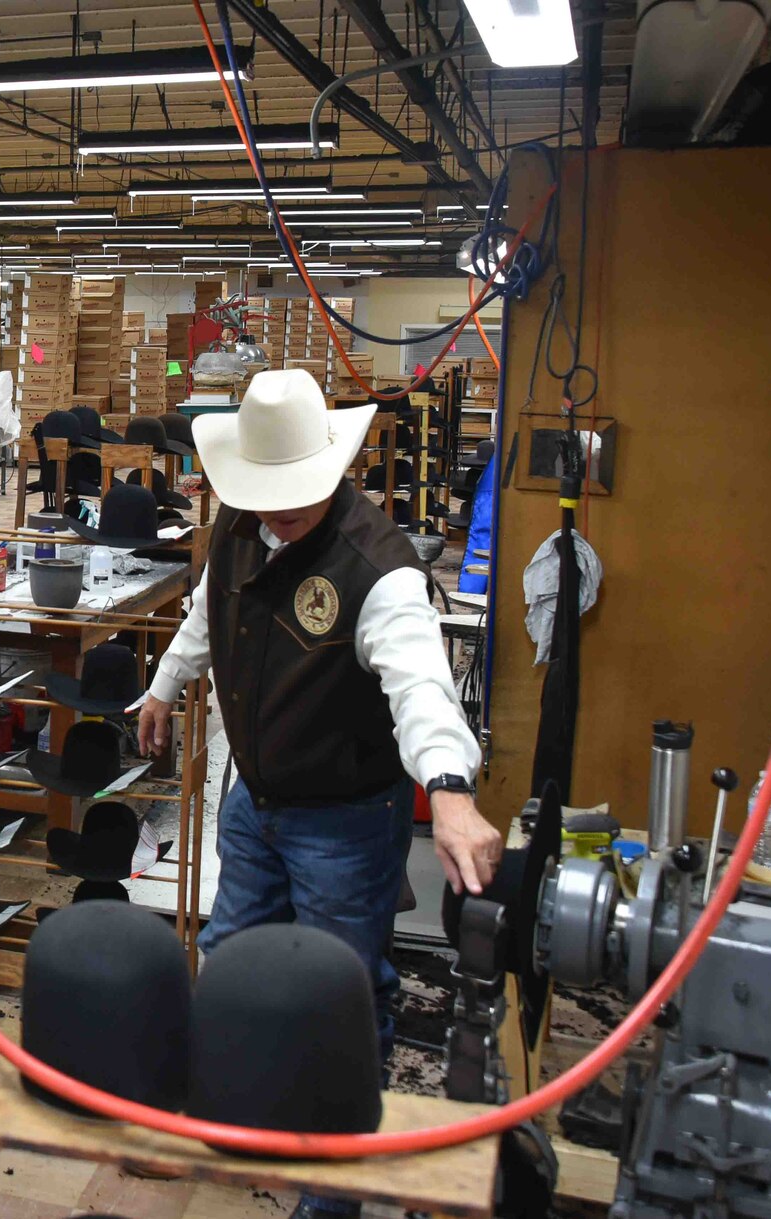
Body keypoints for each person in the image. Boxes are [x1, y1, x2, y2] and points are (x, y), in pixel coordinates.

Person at [134, 371, 502, 1219]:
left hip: (343, 816)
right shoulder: (239, 525)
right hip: (256, 798)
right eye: (264, 499)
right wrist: (163, 683)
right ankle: (226, 1118)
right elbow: (204, 613)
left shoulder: (378, 566)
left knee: (342, 990)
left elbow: (421, 684)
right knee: (230, 959)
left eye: (291, 500)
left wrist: (448, 788)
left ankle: (333, 1191)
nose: (277, 515)